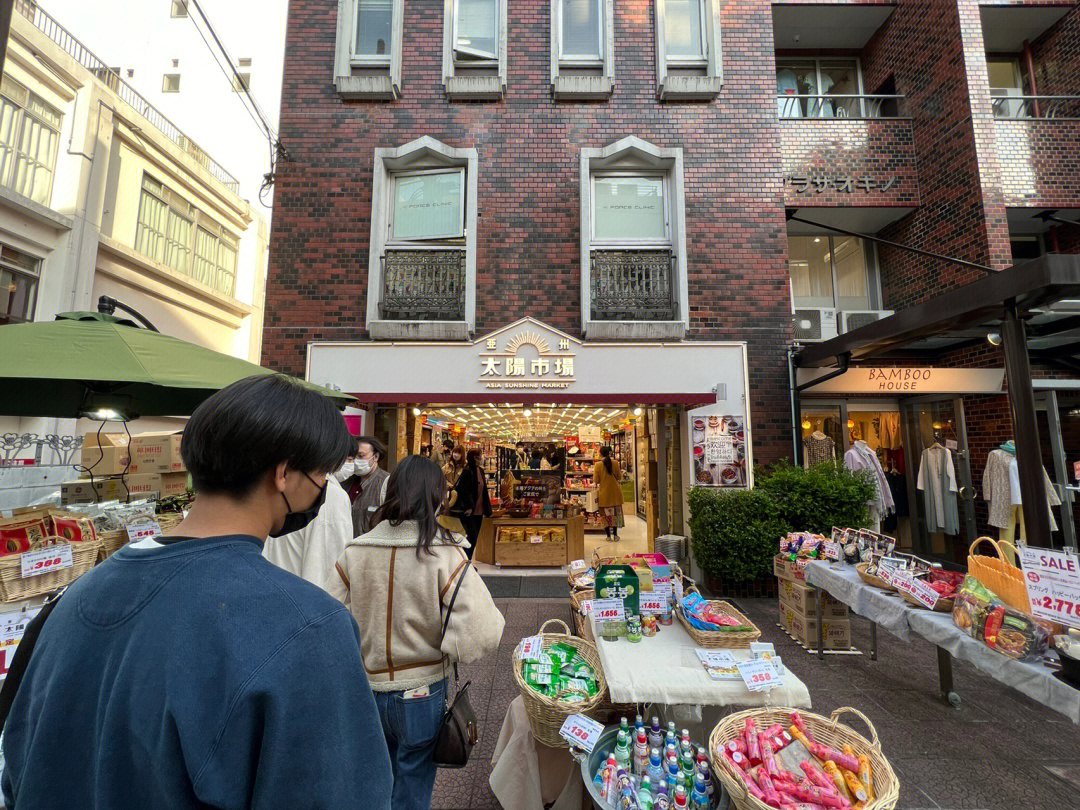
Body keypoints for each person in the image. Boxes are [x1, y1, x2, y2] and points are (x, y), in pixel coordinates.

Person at [1, 374, 392, 809]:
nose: (322, 489)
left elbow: (17, 767)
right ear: (283, 472)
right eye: (319, 474)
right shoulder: (309, 627)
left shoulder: (72, 600)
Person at [326, 456, 504, 810]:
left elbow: (329, 615)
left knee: (376, 780)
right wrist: (449, 647)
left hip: (367, 686)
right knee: (414, 787)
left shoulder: (356, 552)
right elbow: (484, 630)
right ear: (436, 496)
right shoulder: (444, 554)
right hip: (422, 688)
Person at [262, 462, 354, 587]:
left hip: (272, 588)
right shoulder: (332, 496)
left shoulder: (268, 487)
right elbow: (326, 571)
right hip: (299, 596)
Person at [448, 448, 492, 557]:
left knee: (475, 537)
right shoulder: (468, 471)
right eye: (479, 456)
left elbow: (484, 491)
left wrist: (488, 509)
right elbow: (464, 491)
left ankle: (469, 562)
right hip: (469, 511)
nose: (481, 458)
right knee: (470, 538)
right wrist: (469, 506)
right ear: (474, 458)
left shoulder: (480, 470)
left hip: (479, 510)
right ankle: (465, 561)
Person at [346, 435, 390, 536]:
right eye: (353, 457)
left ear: (376, 457)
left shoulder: (386, 483)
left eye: (361, 456)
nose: (356, 460)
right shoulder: (346, 481)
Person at [594, 445, 625, 542]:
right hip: (615, 493)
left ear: (600, 453)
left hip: (604, 493)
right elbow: (619, 477)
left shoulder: (598, 465)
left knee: (604, 515)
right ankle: (615, 535)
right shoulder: (615, 463)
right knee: (614, 514)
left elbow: (596, 480)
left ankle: (608, 536)